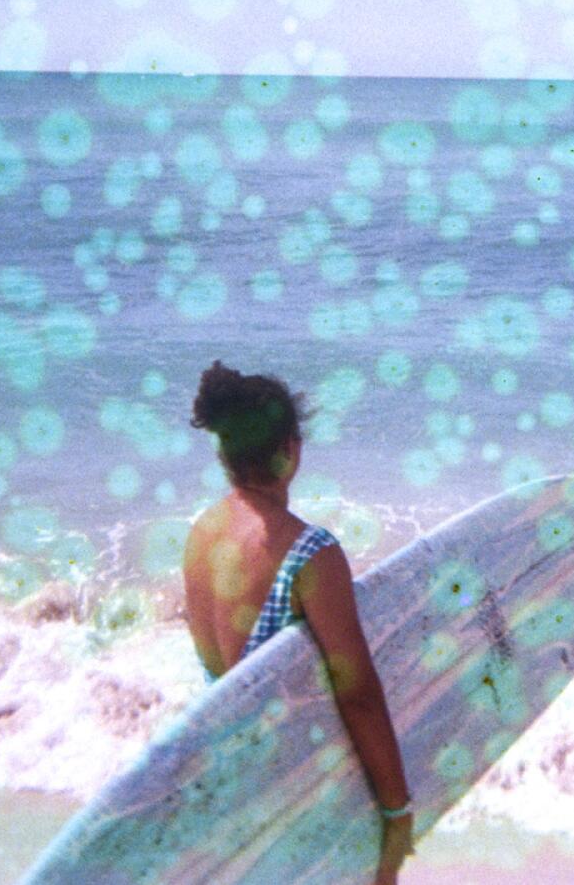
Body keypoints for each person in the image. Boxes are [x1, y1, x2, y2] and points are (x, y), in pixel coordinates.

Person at [182, 361, 414, 885]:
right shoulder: (312, 554)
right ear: (292, 449)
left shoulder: (201, 535)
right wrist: (395, 812)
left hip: (233, 798)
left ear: (224, 453)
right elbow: (357, 694)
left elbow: (222, 674)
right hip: (300, 800)